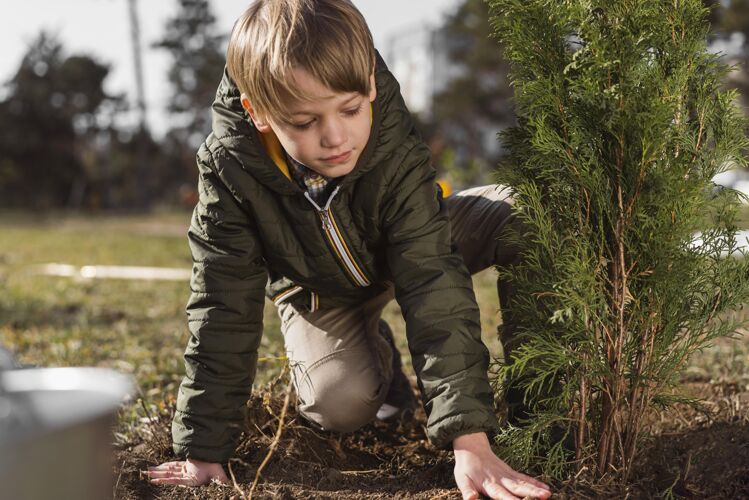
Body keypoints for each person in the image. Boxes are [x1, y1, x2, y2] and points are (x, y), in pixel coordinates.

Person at [145, 1, 552, 498]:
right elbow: (222, 301)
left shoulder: (390, 137)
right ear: (258, 113)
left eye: (351, 109)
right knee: (337, 405)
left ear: (371, 88)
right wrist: (204, 448)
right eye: (303, 121)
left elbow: (430, 277)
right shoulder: (230, 168)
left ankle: (543, 415)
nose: (336, 137)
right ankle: (378, 357)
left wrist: (469, 439)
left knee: (530, 218)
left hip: (412, 243)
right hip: (319, 288)